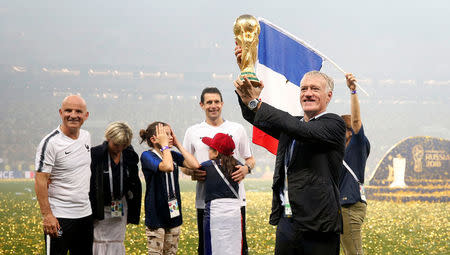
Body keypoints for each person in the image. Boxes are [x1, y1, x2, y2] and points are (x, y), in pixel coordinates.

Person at [234, 44, 346, 254]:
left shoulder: (334, 124)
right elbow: (255, 117)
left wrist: (256, 103)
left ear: (328, 96)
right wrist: (245, 73)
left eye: (315, 89)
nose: (308, 93)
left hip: (318, 223)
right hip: (288, 221)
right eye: (304, 89)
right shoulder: (292, 125)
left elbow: (301, 130)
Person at [182, 87, 255, 255]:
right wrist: (192, 173)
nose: (213, 106)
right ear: (202, 105)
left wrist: (246, 169)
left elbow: (250, 159)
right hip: (205, 201)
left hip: (235, 201)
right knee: (207, 247)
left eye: (216, 102)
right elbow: (184, 165)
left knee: (238, 248)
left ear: (222, 104)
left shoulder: (237, 129)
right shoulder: (193, 131)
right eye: (209, 102)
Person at [34, 95, 93, 255]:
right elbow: (40, 180)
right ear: (60, 112)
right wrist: (47, 215)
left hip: (85, 215)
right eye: (68, 110)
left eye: (78, 111)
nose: (73, 115)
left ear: (86, 115)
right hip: (60, 216)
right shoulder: (50, 143)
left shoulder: (87, 136)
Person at [140, 122, 200, 255]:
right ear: (153, 139)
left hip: (173, 213)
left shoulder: (171, 154)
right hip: (156, 215)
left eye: (171, 134)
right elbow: (167, 166)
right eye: (166, 134)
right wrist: (165, 146)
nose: (170, 137)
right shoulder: (147, 155)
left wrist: (178, 144)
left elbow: (195, 165)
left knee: (171, 253)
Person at [89, 121, 142, 255]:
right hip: (99, 207)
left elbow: (135, 182)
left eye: (123, 145)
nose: (119, 148)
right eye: (116, 144)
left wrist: (133, 212)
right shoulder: (95, 155)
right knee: (99, 241)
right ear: (108, 138)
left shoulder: (129, 156)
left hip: (120, 207)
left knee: (116, 240)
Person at [339, 74, 370, 255]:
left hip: (349, 208)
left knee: (354, 253)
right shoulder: (343, 152)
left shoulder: (357, 144)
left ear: (349, 132)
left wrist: (353, 91)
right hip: (345, 207)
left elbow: (357, 121)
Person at [200, 133, 242, 255]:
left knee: (213, 247)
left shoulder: (207, 166)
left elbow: (190, 166)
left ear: (216, 153)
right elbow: (245, 167)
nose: (208, 151)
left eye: (210, 149)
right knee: (233, 247)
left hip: (215, 212)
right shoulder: (237, 164)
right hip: (234, 211)